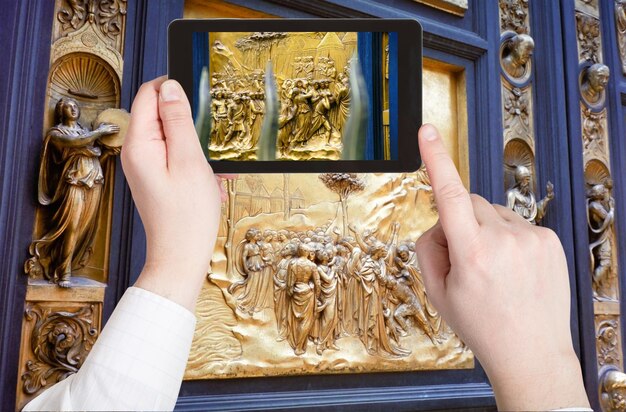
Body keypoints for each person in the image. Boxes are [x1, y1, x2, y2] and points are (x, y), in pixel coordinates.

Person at [23, 78, 591, 410]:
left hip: (334, 299)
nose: (322, 253)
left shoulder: (339, 265)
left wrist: (174, 263)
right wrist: (548, 376)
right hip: (307, 299)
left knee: (361, 316)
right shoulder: (302, 263)